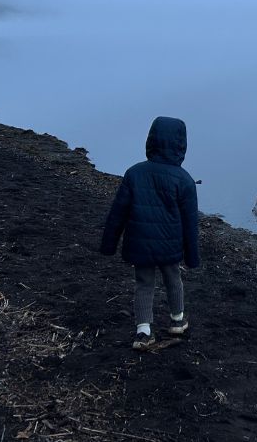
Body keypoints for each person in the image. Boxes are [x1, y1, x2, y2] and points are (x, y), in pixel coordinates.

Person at [100, 116, 201, 350]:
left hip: (140, 243)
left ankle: (143, 331)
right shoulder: (184, 180)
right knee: (173, 279)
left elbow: (118, 213)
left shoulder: (134, 173)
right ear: (181, 145)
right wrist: (192, 257)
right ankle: (177, 320)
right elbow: (190, 223)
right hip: (169, 245)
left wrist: (109, 244)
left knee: (144, 283)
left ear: (151, 141)